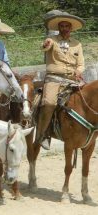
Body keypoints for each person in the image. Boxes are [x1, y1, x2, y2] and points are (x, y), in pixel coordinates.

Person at [35, 11, 85, 150]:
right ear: (59, 28)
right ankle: (43, 134)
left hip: (72, 79)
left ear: (71, 28)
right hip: (54, 78)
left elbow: (81, 64)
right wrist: (46, 43)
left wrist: (78, 71)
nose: (64, 28)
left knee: (89, 98)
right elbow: (44, 47)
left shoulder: (77, 44)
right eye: (61, 26)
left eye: (66, 26)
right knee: (49, 103)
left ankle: (88, 130)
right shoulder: (52, 40)